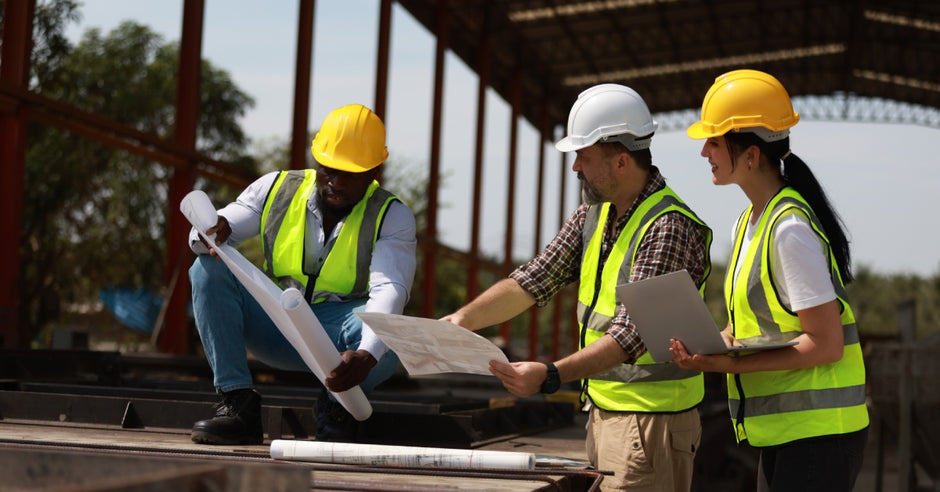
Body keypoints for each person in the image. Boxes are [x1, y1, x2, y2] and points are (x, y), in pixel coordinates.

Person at [444, 83, 712, 492]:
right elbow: (534, 279)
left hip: (650, 422)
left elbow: (629, 336)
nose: (575, 168)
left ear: (621, 162)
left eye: (582, 157)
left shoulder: (667, 225)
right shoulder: (593, 213)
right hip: (606, 413)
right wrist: (461, 320)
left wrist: (551, 375)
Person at [671, 69, 868, 491]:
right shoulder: (748, 223)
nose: (705, 151)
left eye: (715, 141)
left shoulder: (788, 230)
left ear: (752, 154)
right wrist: (714, 342)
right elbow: (753, 326)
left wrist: (724, 363)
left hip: (819, 435)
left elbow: (827, 344)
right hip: (787, 433)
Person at [187, 104, 417, 445]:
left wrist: (367, 353)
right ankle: (237, 404)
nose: (335, 182)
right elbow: (220, 224)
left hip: (337, 344)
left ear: (374, 170)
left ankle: (336, 408)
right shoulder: (276, 188)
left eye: (349, 174)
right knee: (207, 268)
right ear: (316, 160)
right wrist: (210, 230)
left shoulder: (392, 216)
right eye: (328, 170)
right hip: (274, 323)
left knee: (392, 334)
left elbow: (390, 289)